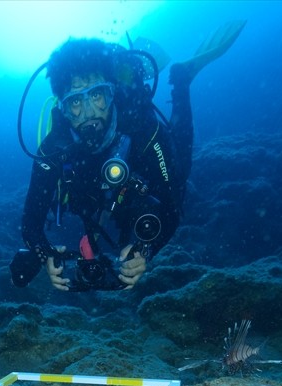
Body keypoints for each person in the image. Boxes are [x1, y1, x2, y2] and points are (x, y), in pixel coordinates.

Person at [17, 22, 246, 292]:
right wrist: (46, 256)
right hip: (97, 190)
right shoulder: (53, 149)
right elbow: (31, 221)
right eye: (76, 101)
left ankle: (181, 79)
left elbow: (172, 206)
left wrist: (147, 251)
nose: (89, 112)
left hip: (134, 168)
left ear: (112, 91)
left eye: (97, 95)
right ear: (63, 108)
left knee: (180, 172)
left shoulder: (142, 127)